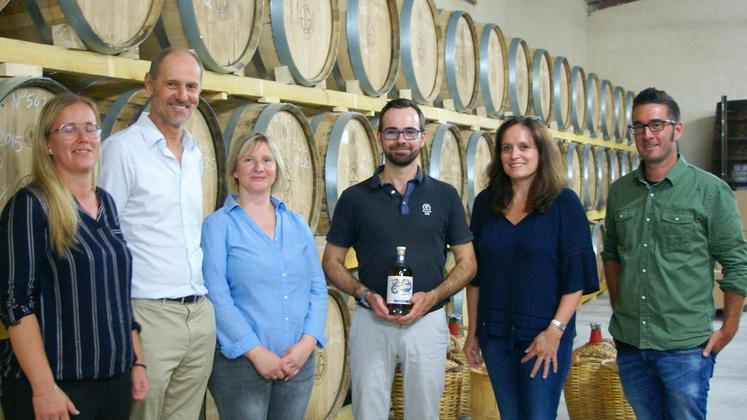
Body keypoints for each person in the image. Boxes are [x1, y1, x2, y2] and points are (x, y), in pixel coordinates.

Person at [322, 98, 477, 420]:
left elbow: (468, 263)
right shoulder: (355, 198)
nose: (401, 140)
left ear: (422, 137)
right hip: (371, 320)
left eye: (409, 131)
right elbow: (332, 261)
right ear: (379, 137)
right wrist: (363, 293)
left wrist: (433, 296)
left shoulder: (445, 196)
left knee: (424, 412)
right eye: (392, 132)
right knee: (369, 411)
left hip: (428, 320)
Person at [0, 94, 149, 419]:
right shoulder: (31, 205)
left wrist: (136, 361)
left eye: (90, 128)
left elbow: (118, 294)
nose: (83, 138)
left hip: (113, 382)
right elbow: (16, 304)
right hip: (57, 387)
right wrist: (43, 388)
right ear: (47, 145)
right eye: (68, 129)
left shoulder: (106, 203)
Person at [603, 87, 747, 420]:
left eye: (656, 124)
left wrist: (729, 328)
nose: (647, 134)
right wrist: (619, 303)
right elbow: (611, 254)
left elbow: (737, 263)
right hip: (631, 344)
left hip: (685, 347)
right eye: (638, 126)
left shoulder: (710, 191)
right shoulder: (620, 192)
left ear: (676, 129)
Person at [99, 47, 216, 419]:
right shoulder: (121, 151)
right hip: (148, 315)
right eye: (172, 84)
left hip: (198, 314)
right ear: (150, 84)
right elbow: (105, 241)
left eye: (192, 87)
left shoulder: (196, 153)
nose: (183, 96)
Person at [462, 116, 599, 419]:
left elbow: (575, 278)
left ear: (541, 152)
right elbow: (476, 277)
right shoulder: (487, 204)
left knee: (538, 415)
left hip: (543, 334)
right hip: (495, 334)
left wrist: (555, 331)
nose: (515, 155)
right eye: (507, 148)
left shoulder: (564, 204)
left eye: (524, 146)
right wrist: (473, 332)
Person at [201, 132, 328, 419]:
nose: (259, 167)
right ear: (235, 169)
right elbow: (217, 297)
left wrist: (306, 345)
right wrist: (257, 353)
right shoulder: (218, 226)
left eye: (266, 160)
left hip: (297, 362)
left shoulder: (296, 224)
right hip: (241, 365)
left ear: (276, 169)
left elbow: (317, 287)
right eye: (249, 160)